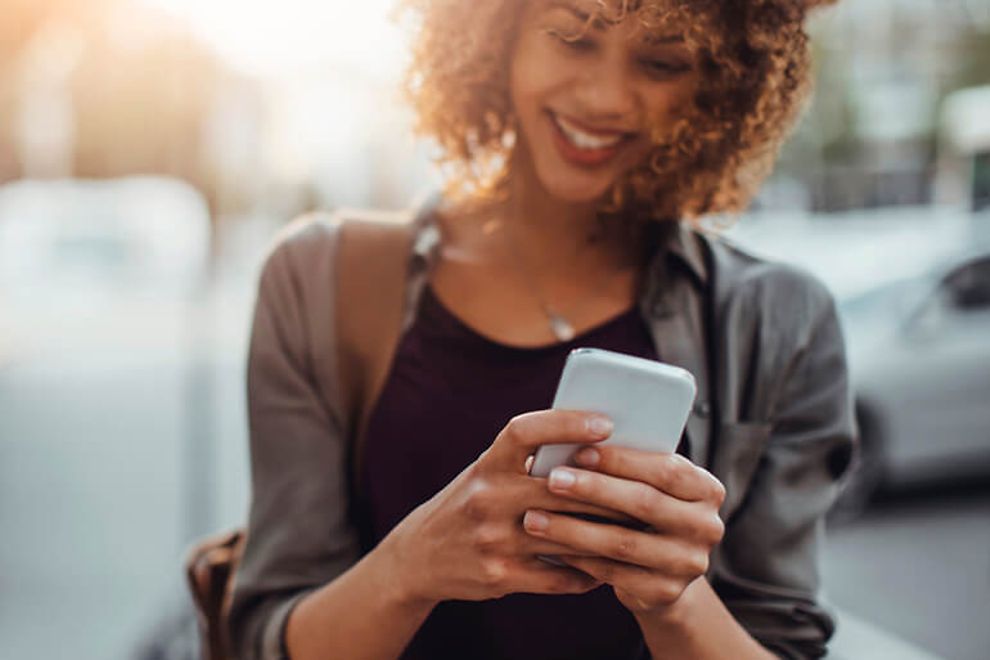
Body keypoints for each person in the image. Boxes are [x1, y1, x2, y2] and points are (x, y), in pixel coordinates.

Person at [227, 0, 855, 659]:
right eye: (572, 37)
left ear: (722, 83)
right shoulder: (318, 280)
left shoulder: (785, 323)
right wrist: (409, 568)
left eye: (662, 62)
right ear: (496, 34)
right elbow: (264, 641)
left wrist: (674, 600)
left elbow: (783, 643)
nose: (605, 97)